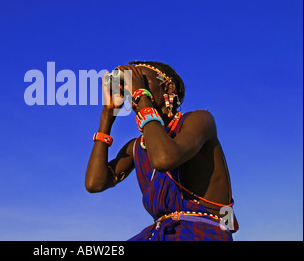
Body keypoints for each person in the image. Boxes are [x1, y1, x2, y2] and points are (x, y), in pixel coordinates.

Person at [85, 61, 238, 241]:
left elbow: (164, 158)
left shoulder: (199, 120)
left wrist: (142, 96)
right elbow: (94, 183)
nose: (133, 89)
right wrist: (107, 114)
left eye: (141, 80)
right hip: (161, 233)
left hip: (203, 232)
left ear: (168, 87)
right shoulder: (138, 146)